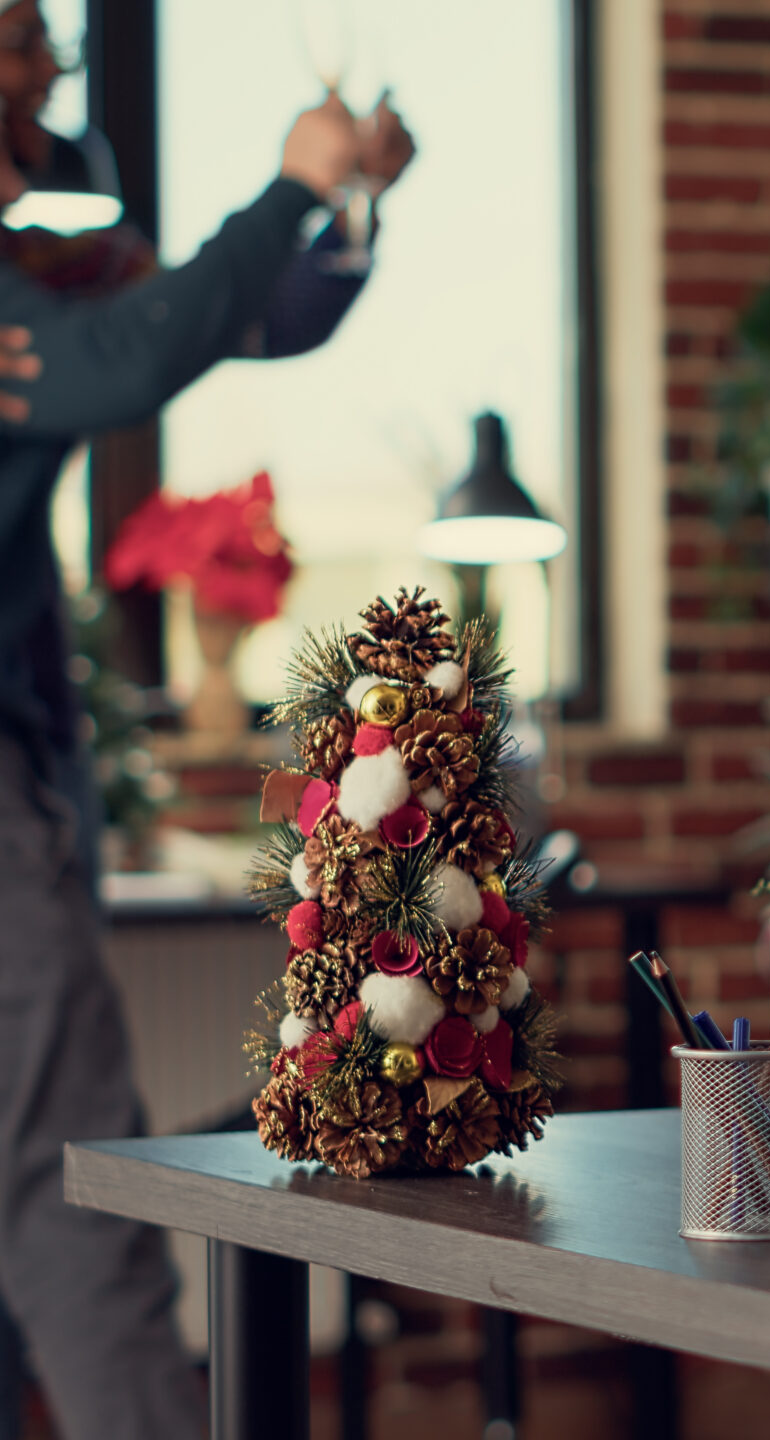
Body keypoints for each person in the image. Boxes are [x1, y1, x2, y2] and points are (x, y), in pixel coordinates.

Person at [0, 93, 396, 1439]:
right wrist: (289, 189)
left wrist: (343, 205)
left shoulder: (40, 256)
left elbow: (242, 314)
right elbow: (123, 355)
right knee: (69, 1192)